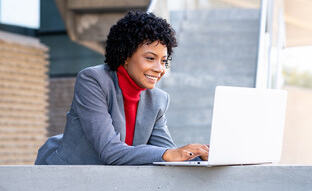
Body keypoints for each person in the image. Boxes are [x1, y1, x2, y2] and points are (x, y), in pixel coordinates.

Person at [35, 11, 209, 165]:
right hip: (64, 178)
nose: (159, 68)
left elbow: (168, 155)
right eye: (150, 58)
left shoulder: (158, 99)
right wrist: (168, 154)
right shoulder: (93, 81)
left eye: (163, 61)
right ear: (125, 56)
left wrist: (202, 157)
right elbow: (111, 152)